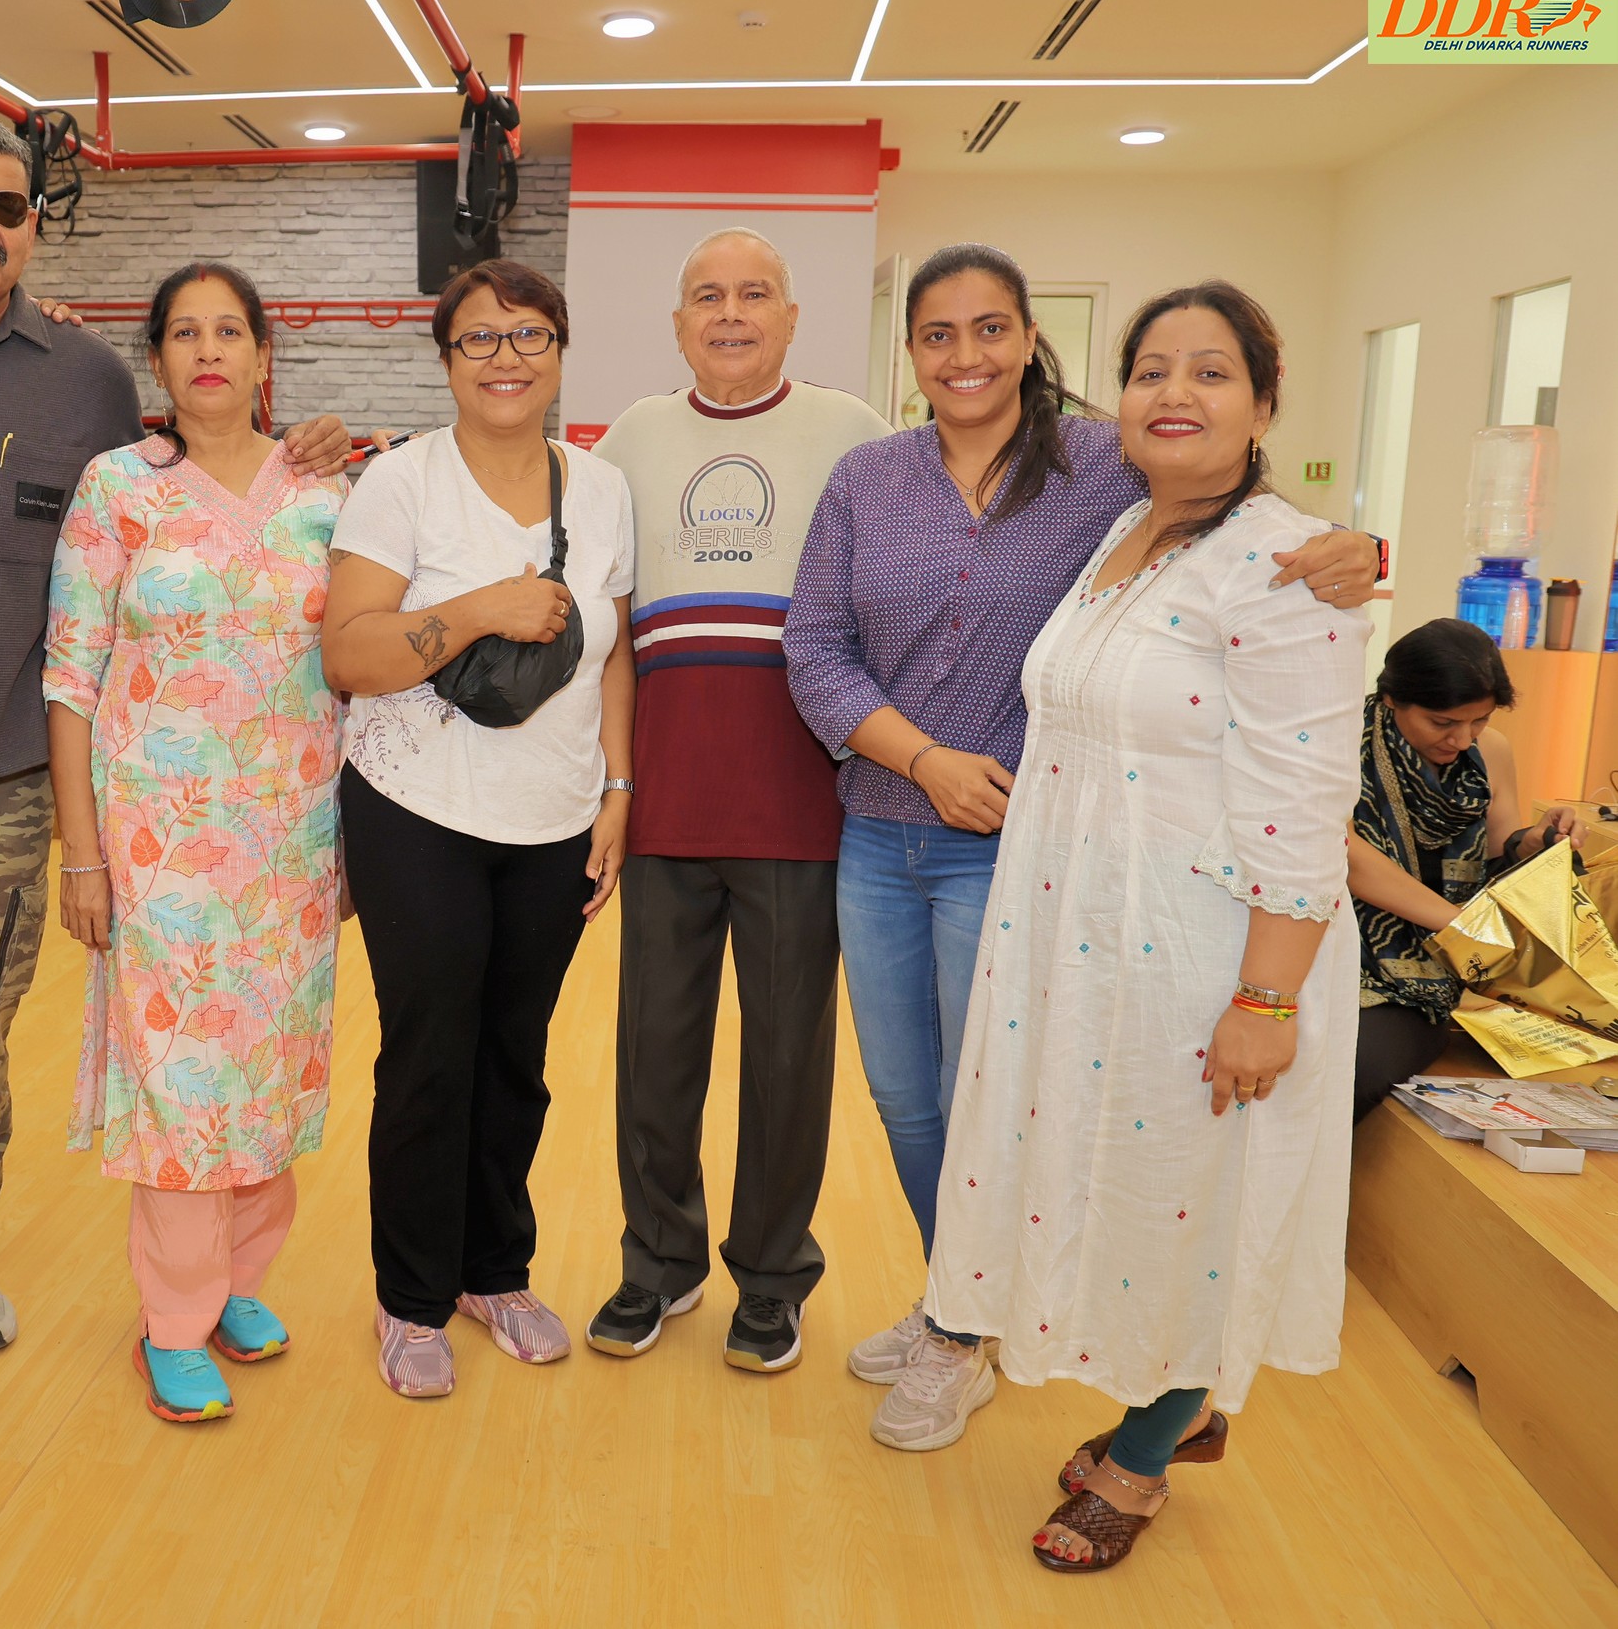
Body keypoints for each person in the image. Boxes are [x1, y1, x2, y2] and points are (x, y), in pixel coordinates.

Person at [0, 115, 356, 1435]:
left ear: (33, 226)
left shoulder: (90, 387)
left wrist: (327, 443)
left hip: (24, 786)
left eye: (4, 206)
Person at [786, 243, 1381, 1454]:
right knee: (916, 1099)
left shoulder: (1106, 460)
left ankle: (990, 1341)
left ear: (1030, 340)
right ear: (910, 353)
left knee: (1002, 1100)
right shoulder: (877, 478)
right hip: (901, 831)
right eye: (938, 333)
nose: (966, 354)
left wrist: (1355, 546)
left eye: (991, 328)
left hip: (1024, 856)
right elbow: (814, 646)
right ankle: (961, 1299)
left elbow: (1257, 538)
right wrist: (925, 760)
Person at [925, 281, 1370, 1572]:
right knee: (1136, 1196)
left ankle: (1150, 1448)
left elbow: (1304, 799)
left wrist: (1266, 999)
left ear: (1265, 404)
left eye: (1212, 372)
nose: (1176, 393)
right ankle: (1181, 1397)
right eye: (1151, 369)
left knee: (1192, 1194)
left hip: (1210, 948)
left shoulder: (1286, 566)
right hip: (1090, 935)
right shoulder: (1129, 524)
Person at [323, 258, 637, 1400]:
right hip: (418, 809)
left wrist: (619, 788)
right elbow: (349, 654)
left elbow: (614, 652)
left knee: (516, 1055)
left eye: (528, 335)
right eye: (479, 339)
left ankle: (493, 1272)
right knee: (428, 1057)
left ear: (559, 349)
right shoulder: (399, 483)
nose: (506, 358)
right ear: (447, 359)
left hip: (554, 817)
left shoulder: (601, 488)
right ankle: (410, 1297)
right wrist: (476, 610)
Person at [46, 261, 347, 1425]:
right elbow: (71, 681)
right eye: (184, 332)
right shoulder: (119, 486)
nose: (209, 349)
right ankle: (173, 1317)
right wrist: (81, 854)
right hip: (159, 847)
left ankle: (237, 1281)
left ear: (266, 355)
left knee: (270, 1072)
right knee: (183, 1081)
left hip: (294, 842)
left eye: (230, 330)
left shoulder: (325, 488)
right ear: (158, 360)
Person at [582, 229, 887, 1372]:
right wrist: (615, 784)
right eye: (706, 295)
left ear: (791, 318)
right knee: (654, 1055)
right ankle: (659, 1263)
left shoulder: (856, 435)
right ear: (678, 325)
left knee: (787, 1062)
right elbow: (601, 618)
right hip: (666, 797)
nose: (730, 313)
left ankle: (772, 1275)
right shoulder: (631, 440)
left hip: (804, 802)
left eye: (754, 293)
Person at [1348, 619, 1579, 1120]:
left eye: (1479, 720)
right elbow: (1349, 860)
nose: (1461, 738)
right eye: (1442, 722)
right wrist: (1463, 928)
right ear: (1391, 698)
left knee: (1360, 1070)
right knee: (1333, 1068)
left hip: (1430, 978)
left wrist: (1534, 841)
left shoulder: (1489, 749)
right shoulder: (1344, 744)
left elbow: (1498, 853)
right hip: (1345, 958)